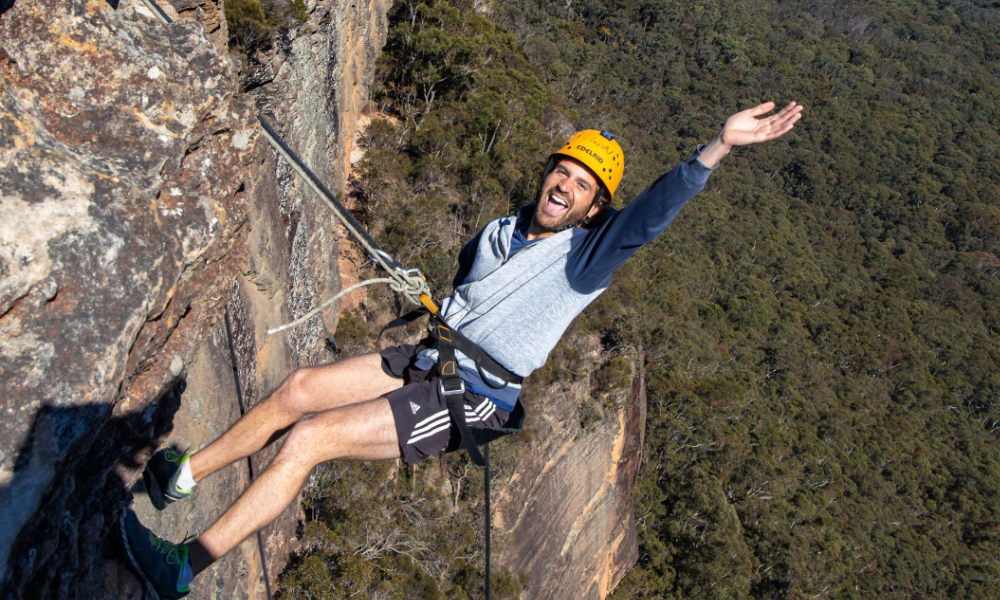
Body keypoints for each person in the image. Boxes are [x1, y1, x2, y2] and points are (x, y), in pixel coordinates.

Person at [120, 101, 803, 599]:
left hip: (469, 398)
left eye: (582, 185)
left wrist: (715, 147)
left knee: (309, 439)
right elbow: (471, 297)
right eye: (562, 172)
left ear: (596, 209)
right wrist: (438, 304)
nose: (564, 186)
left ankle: (184, 566)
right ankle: (184, 475)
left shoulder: (585, 258)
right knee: (298, 387)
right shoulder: (501, 231)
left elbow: (650, 217)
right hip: (433, 356)